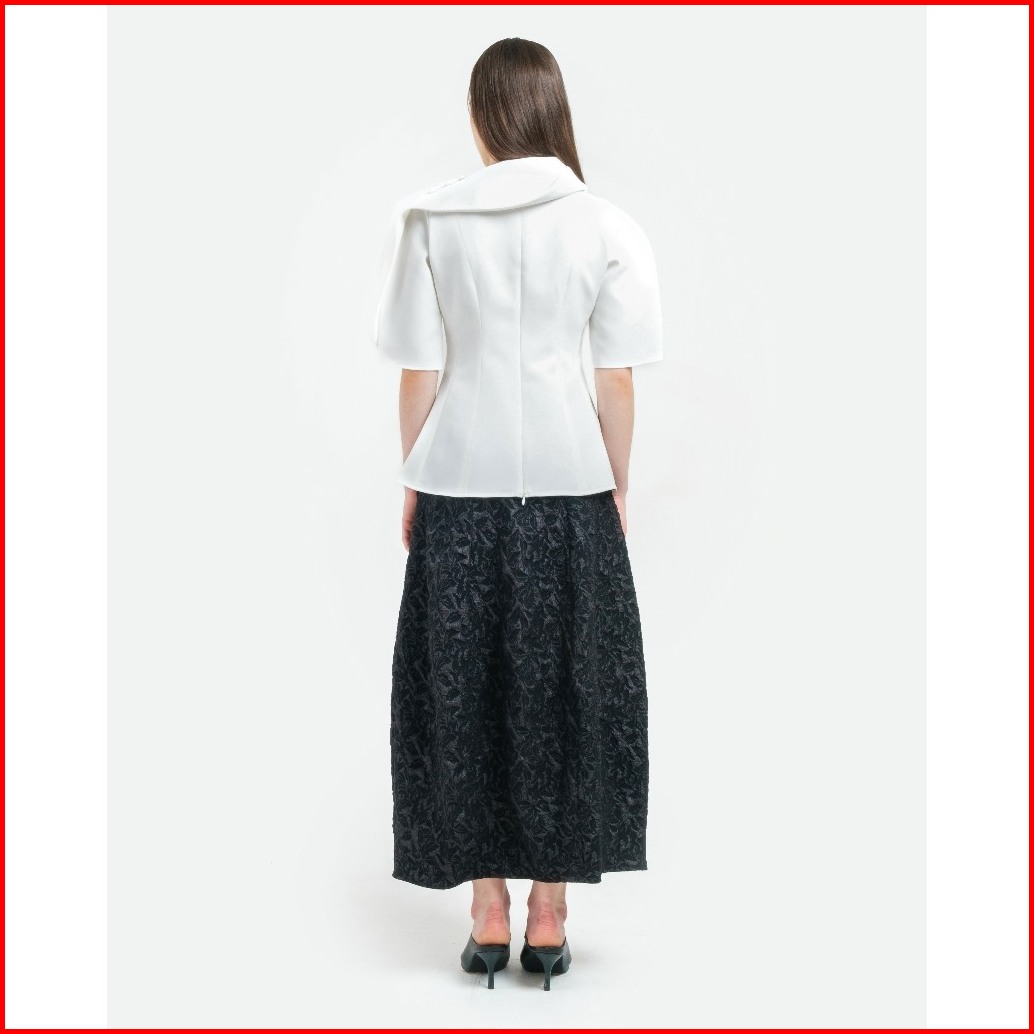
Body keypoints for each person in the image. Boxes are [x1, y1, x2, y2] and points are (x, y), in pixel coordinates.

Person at [373, 37, 663, 991]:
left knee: (463, 694)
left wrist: (413, 476)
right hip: (571, 491)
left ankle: (486, 907)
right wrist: (617, 483)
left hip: (458, 487)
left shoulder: (432, 221)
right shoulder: (608, 225)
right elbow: (615, 379)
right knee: (570, 693)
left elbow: (421, 370)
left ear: (481, 117)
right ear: (553, 110)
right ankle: (550, 910)